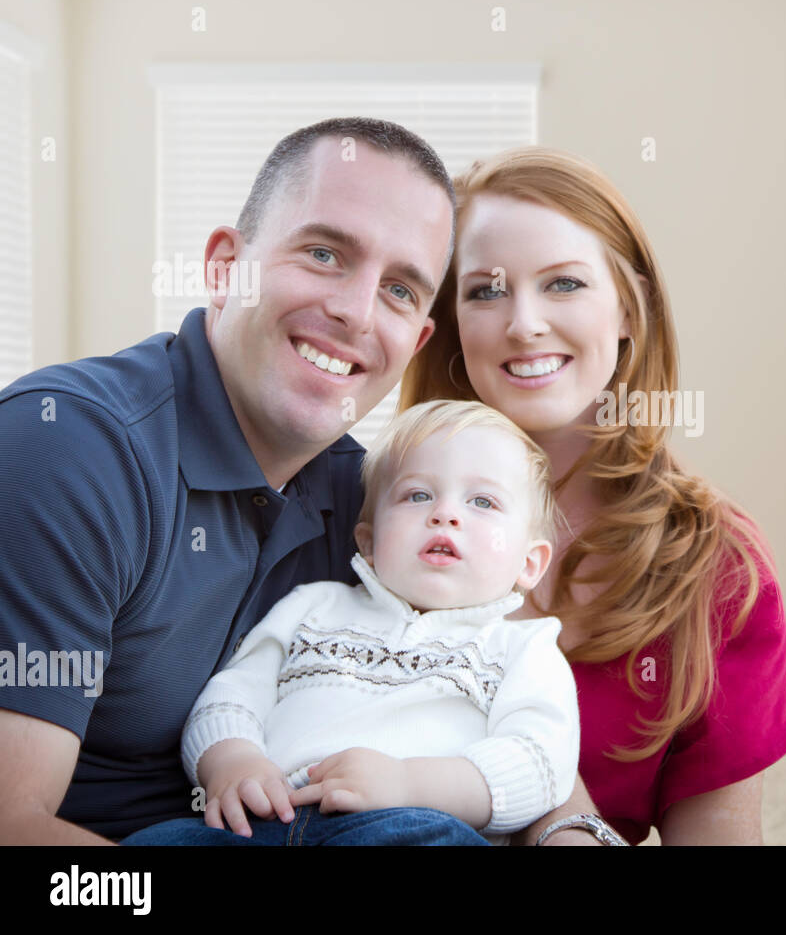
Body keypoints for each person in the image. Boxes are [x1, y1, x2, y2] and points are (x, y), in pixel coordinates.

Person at [0, 118, 458, 843]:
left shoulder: (364, 503)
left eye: (400, 290)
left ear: (417, 342)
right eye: (323, 252)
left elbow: (498, 677)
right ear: (223, 268)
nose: (356, 311)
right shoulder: (68, 448)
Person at [398, 147, 786, 846]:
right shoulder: (374, 514)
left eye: (562, 285)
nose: (523, 323)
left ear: (629, 308)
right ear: (452, 322)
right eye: (486, 291)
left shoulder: (719, 564)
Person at [120, 400, 578, 846]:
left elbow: (539, 762)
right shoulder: (312, 605)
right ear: (370, 542)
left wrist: (408, 783)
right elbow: (233, 693)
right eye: (418, 495)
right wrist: (232, 761)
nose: (446, 513)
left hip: (411, 823)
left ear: (530, 562)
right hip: (265, 818)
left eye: (483, 501)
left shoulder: (524, 647)